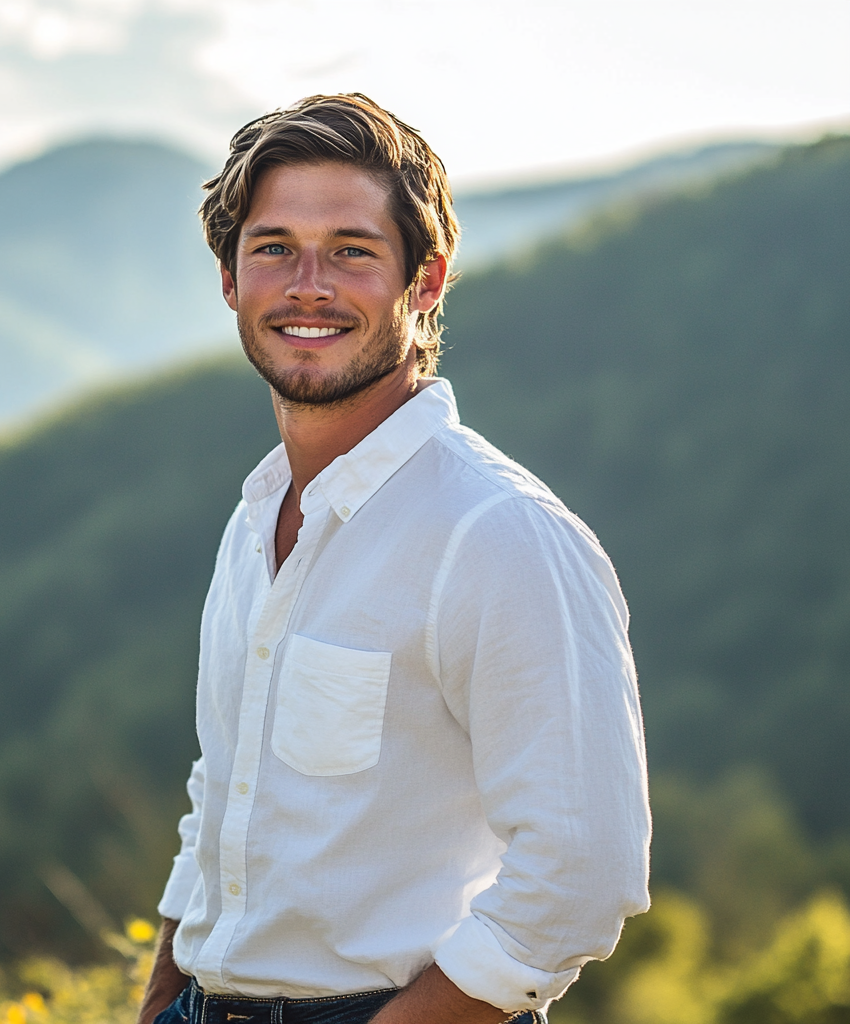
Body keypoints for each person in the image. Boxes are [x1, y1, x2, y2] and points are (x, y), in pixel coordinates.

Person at [137, 93, 651, 1024]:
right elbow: (224, 790)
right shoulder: (256, 520)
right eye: (274, 247)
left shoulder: (497, 535)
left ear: (426, 280)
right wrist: (167, 995)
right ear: (229, 280)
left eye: (353, 250)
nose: (308, 284)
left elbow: (582, 872)